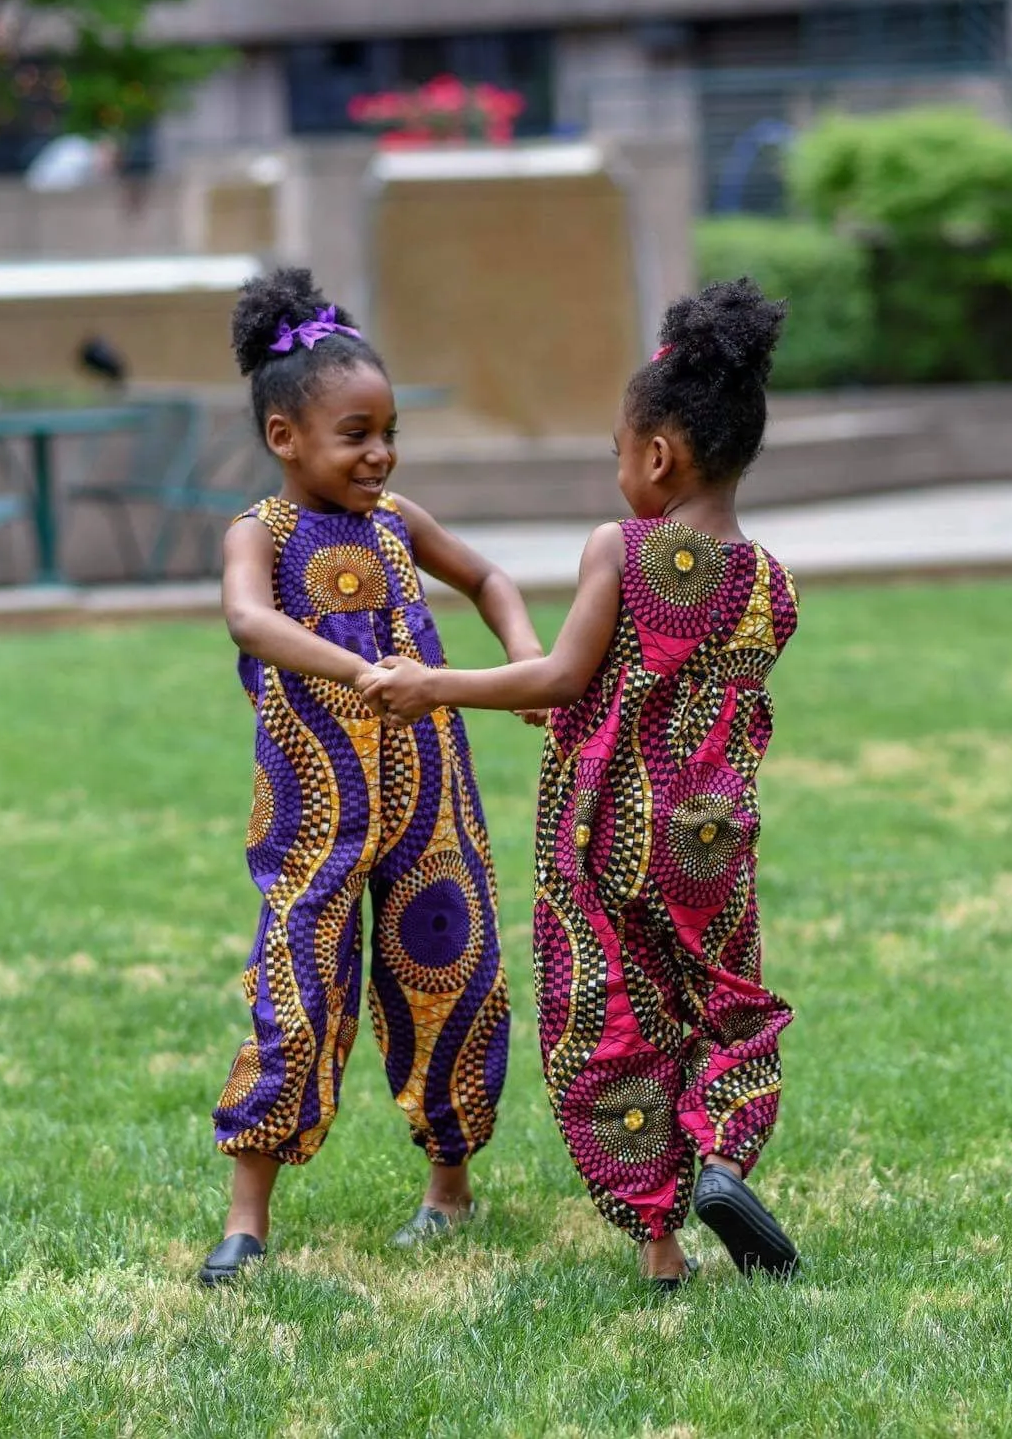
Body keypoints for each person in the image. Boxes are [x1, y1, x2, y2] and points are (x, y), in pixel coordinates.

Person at [365, 278, 802, 1291]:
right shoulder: (772, 581)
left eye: (616, 452)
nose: (617, 472)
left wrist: (436, 682)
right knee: (731, 1005)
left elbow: (568, 673)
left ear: (658, 455)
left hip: (606, 834)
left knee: (613, 1017)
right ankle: (727, 1161)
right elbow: (668, 683)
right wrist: (572, 698)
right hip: (709, 839)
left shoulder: (623, 547)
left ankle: (657, 1243)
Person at [198, 269, 544, 1287]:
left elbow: (489, 576)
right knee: (295, 993)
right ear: (283, 437)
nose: (379, 452)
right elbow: (248, 619)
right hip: (314, 818)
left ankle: (448, 1190)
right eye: (355, 433)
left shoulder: (397, 521)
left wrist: (521, 658)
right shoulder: (257, 534)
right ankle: (246, 1218)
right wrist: (357, 669)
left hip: (429, 801)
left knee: (451, 976)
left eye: (388, 430)